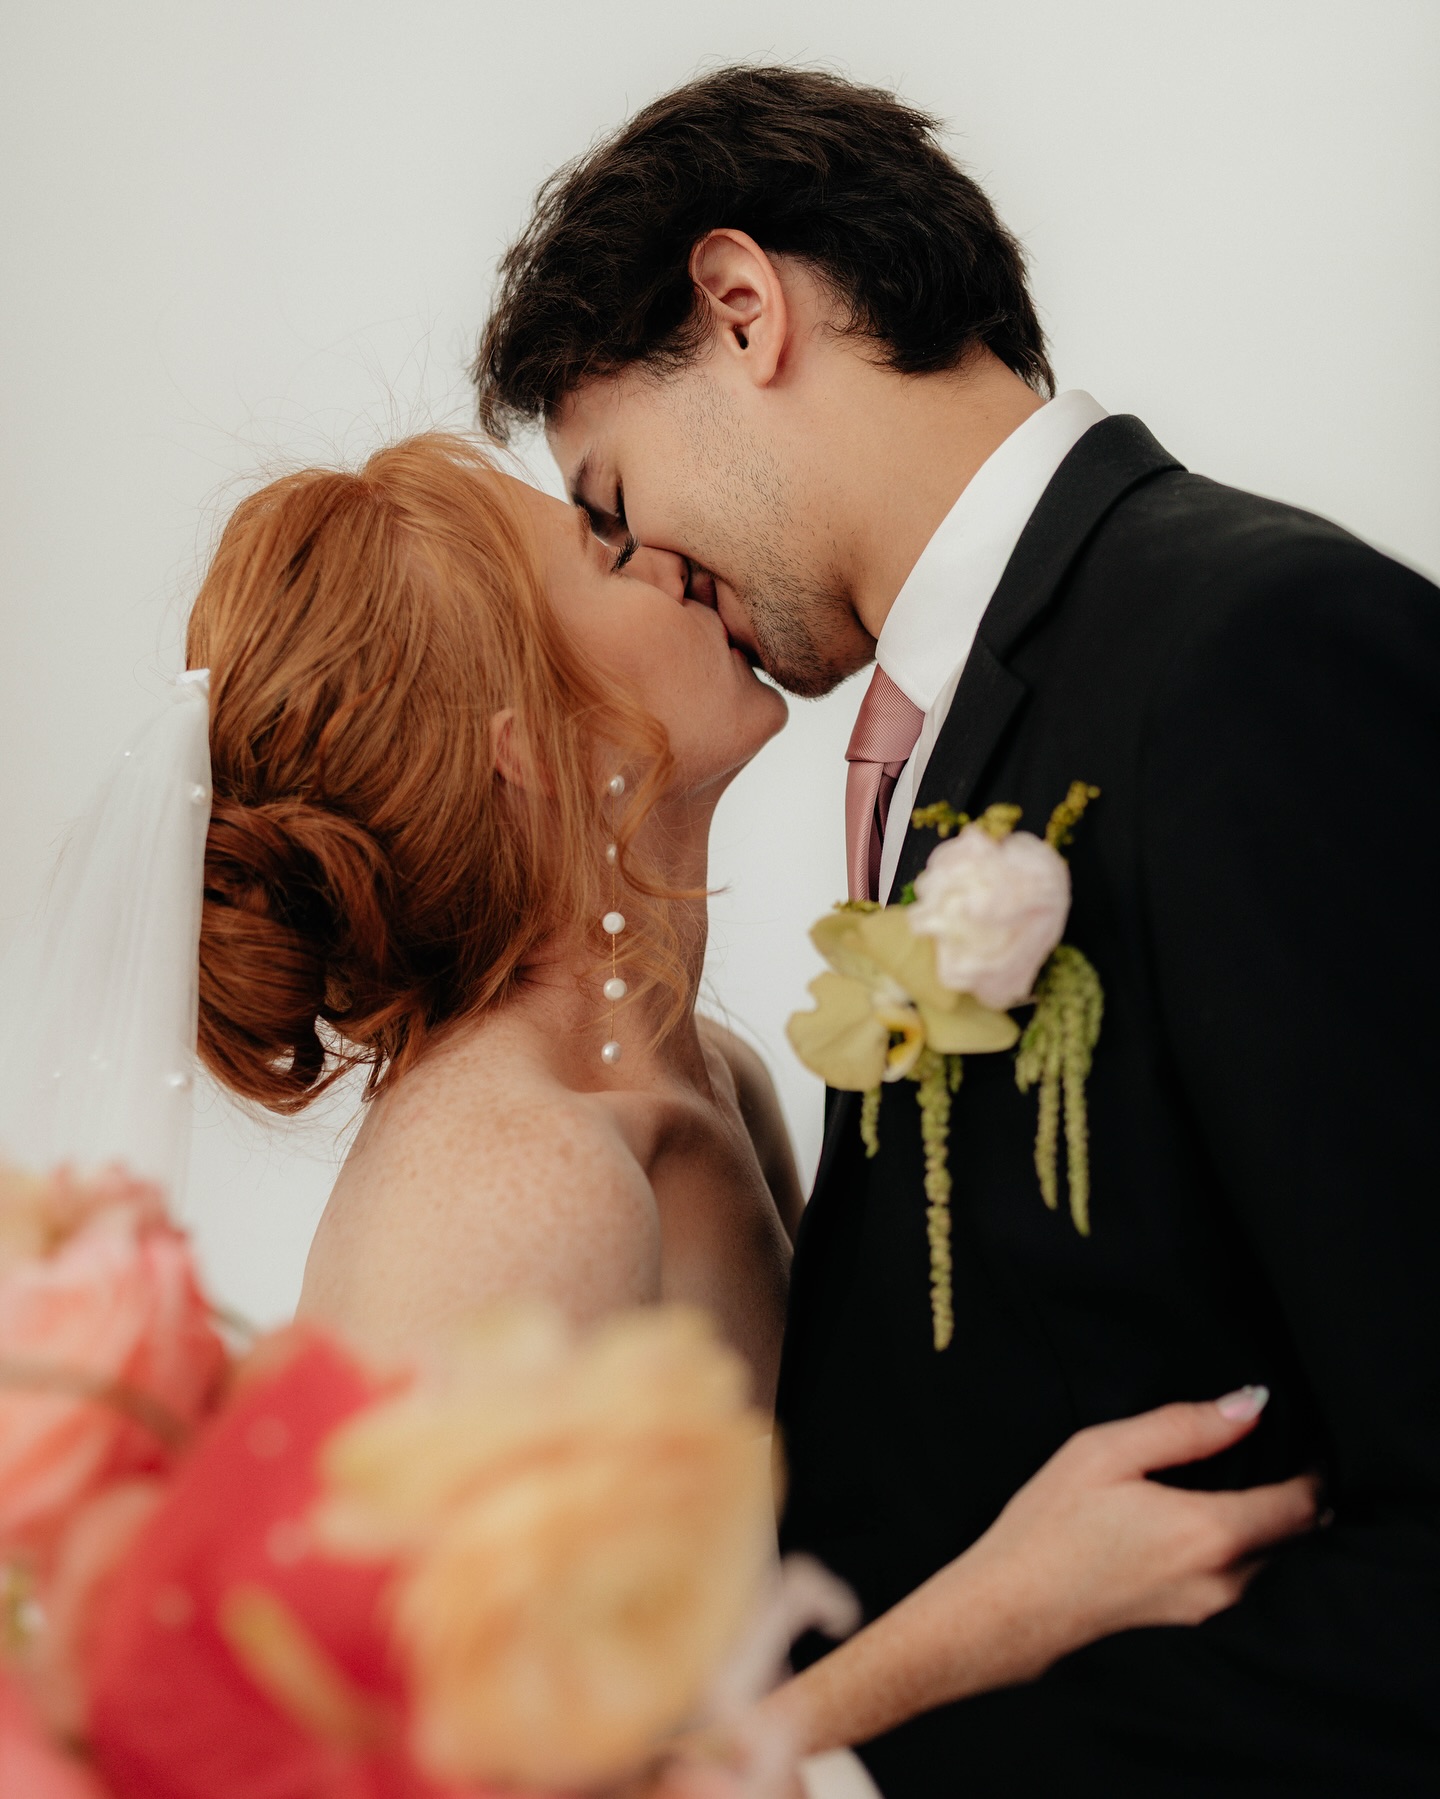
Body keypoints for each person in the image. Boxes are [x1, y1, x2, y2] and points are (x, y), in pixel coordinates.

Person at [472, 64, 1440, 1798]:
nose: (654, 578)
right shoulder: (960, 718)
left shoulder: (1253, 647)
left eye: (614, 501)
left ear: (743, 305)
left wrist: (875, 1764)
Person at [181, 430, 1311, 1771]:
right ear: (525, 752)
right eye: (603, 550)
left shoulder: (713, 1082)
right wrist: (1006, 1608)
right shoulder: (511, 1169)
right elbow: (437, 1788)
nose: (665, 556)